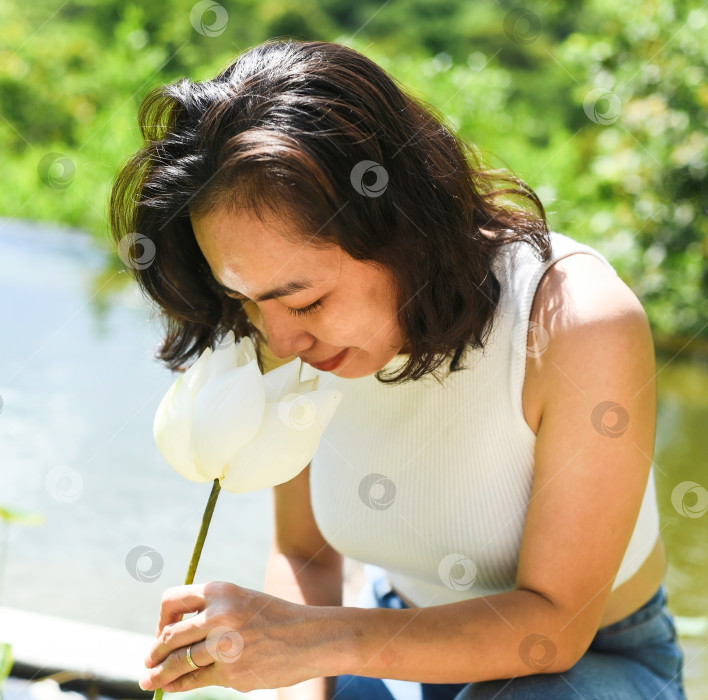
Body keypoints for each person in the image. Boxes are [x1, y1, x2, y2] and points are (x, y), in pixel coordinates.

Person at [111, 39, 686, 699]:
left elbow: (554, 627)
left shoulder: (575, 320)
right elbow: (304, 556)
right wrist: (299, 679)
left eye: (305, 301)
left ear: (404, 227)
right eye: (245, 301)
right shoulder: (279, 332)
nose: (278, 339)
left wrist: (312, 638)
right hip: (392, 635)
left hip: (585, 664)